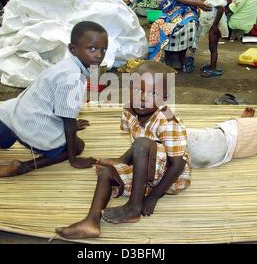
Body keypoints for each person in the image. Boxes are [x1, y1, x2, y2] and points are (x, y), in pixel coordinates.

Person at [0, 21, 108, 201]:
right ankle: (24, 166)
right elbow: (68, 123)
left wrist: (70, 120)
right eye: (92, 49)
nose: (99, 55)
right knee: (78, 146)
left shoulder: (63, 66)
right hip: (36, 128)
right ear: (73, 49)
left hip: (12, 116)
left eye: (103, 50)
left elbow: (58, 106)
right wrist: (74, 159)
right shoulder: (73, 78)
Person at [56, 61, 191, 239]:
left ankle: (134, 207)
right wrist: (122, 161)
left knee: (143, 142)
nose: (143, 98)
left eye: (152, 93)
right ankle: (91, 222)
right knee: (106, 173)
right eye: (137, 90)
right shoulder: (129, 110)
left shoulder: (168, 120)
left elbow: (178, 164)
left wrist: (153, 197)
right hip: (145, 173)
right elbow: (136, 146)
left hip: (172, 177)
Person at [199, 0, 229, 78]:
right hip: (211, 24)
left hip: (215, 26)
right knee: (211, 46)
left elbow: (221, 10)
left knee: (213, 46)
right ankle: (211, 65)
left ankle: (213, 68)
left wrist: (215, 26)